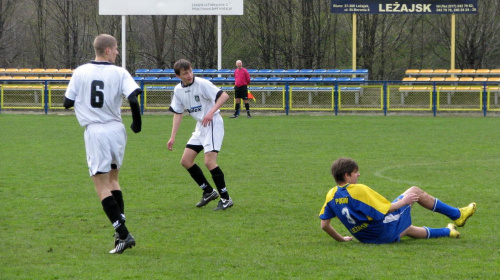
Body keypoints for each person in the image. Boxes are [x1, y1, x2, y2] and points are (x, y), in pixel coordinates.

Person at [63, 34, 142, 254]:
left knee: (100, 185)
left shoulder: (80, 72)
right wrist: (137, 123)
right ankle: (120, 235)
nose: (117, 52)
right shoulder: (120, 72)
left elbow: (67, 103)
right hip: (117, 130)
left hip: (96, 131)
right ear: (107, 50)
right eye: (116, 49)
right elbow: (134, 98)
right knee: (113, 179)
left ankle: (124, 234)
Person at [319, 157, 477, 244]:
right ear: (346, 176)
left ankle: (447, 231)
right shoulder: (358, 190)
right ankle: (457, 215)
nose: (358, 175)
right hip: (381, 234)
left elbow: (324, 225)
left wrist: (342, 240)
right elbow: (386, 209)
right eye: (355, 172)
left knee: (406, 227)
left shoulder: (330, 195)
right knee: (414, 191)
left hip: (366, 238)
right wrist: (404, 201)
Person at [167, 59, 233, 211]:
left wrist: (210, 112)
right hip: (200, 127)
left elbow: (224, 96)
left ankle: (226, 198)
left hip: (212, 124)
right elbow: (178, 113)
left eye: (190, 71)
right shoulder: (178, 90)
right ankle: (209, 192)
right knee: (186, 160)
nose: (189, 75)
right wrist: (172, 137)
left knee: (209, 162)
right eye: (185, 73)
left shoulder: (202, 84)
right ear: (178, 76)